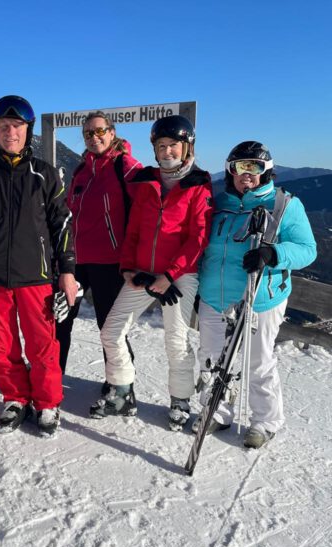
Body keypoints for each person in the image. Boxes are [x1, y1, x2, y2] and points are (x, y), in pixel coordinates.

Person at [0, 95, 77, 436]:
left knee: (42, 345)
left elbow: (63, 225)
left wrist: (67, 271)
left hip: (36, 276)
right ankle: (15, 398)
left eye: (17, 127)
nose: (11, 133)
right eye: (4, 126)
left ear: (28, 131)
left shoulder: (45, 175)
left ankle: (47, 402)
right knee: (1, 343)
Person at [196, 141, 316, 448]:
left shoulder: (284, 205)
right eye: (240, 167)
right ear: (230, 170)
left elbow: (307, 250)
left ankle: (265, 421)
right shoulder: (217, 203)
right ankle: (217, 412)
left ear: (267, 171)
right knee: (211, 359)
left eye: (255, 167)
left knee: (258, 362)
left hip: (259, 297)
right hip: (214, 295)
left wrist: (272, 254)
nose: (246, 174)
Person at [96, 115, 213, 429]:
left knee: (176, 341)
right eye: (161, 146)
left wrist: (170, 275)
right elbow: (134, 231)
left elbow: (197, 237)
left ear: (186, 147)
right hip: (142, 273)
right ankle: (121, 394)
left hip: (179, 276)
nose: (167, 151)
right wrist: (126, 268)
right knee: (111, 330)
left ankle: (180, 401)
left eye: (173, 145)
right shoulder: (147, 183)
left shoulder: (198, 185)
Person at [56, 111, 142, 385]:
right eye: (88, 134)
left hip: (109, 262)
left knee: (110, 327)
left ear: (112, 132)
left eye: (100, 131)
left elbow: (150, 202)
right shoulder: (82, 169)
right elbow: (69, 211)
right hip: (76, 261)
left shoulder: (125, 166)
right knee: (61, 321)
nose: (94, 138)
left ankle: (119, 384)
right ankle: (52, 378)